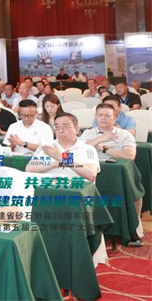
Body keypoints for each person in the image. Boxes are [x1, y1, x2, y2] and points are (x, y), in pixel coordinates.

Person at [81, 103, 143, 247]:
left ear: (115, 117)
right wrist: (100, 138)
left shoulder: (125, 134)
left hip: (119, 176)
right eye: (100, 115)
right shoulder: (88, 133)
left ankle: (130, 230)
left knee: (130, 192)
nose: (103, 118)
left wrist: (105, 148)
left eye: (108, 116)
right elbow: (80, 150)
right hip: (91, 174)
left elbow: (129, 156)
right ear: (95, 117)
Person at [26, 113, 99, 182]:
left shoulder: (88, 149)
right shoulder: (46, 147)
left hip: (75, 187)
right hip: (48, 186)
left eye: (65, 127)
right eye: (57, 127)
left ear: (76, 129)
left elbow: (91, 175)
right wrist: (55, 164)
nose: (60, 131)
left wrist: (64, 158)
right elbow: (29, 169)